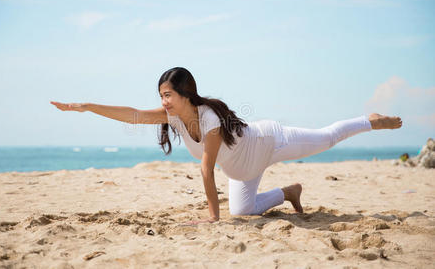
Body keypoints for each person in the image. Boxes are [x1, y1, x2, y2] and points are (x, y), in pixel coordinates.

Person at [50, 67, 403, 226]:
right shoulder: (171, 116)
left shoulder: (209, 119)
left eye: (168, 95)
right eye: (161, 96)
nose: (164, 102)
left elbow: (206, 167)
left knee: (326, 138)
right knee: (244, 212)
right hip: (242, 171)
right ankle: (289, 191)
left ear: (186, 93)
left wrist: (210, 216)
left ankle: (369, 120)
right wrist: (87, 106)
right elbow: (132, 115)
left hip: (269, 142)